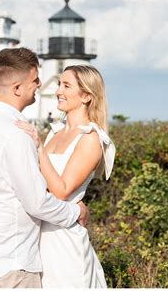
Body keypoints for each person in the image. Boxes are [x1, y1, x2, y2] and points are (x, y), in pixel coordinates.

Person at [0, 48, 89, 288]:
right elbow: (36, 202)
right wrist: (75, 213)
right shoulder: (15, 133)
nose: (40, 84)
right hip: (11, 262)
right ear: (17, 88)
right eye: (34, 80)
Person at [15, 64, 115, 288]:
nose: (58, 91)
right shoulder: (56, 131)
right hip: (38, 234)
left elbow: (62, 190)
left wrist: (39, 149)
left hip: (63, 239)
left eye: (66, 85)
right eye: (60, 84)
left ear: (87, 96)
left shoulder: (90, 138)